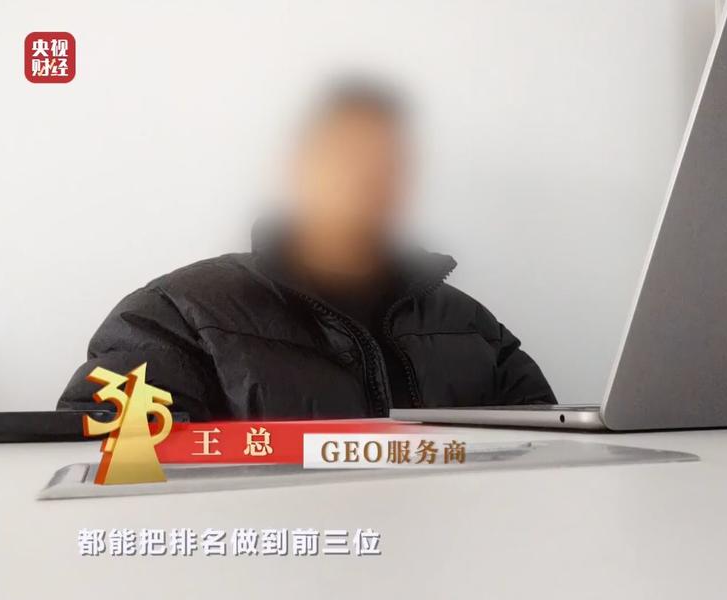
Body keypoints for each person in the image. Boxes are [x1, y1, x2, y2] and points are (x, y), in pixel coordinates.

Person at [57, 82, 556, 421]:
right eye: (345, 156)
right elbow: (104, 467)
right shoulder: (175, 314)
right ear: (297, 168)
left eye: (390, 163)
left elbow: (550, 462)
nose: (367, 178)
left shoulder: (473, 327)